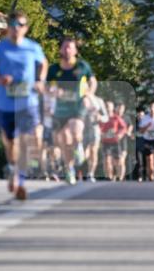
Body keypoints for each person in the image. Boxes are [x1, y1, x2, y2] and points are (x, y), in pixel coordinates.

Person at [0, 12, 47, 200]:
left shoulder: (33, 48)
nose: (16, 28)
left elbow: (43, 63)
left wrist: (40, 80)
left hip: (28, 102)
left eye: (20, 24)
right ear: (8, 27)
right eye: (13, 24)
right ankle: (13, 169)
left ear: (26, 28)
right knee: (11, 143)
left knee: (26, 140)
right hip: (5, 103)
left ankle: (20, 180)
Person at [47, 37, 96, 185]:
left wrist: (88, 95)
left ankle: (79, 147)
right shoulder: (54, 69)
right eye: (65, 47)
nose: (67, 50)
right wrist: (53, 92)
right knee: (65, 139)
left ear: (75, 50)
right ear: (60, 50)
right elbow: (47, 87)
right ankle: (69, 169)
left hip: (78, 105)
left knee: (75, 130)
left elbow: (93, 82)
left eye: (70, 47)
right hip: (60, 108)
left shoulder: (82, 66)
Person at [82, 89, 109, 182]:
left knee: (93, 151)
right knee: (84, 153)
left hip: (94, 128)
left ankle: (91, 173)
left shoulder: (99, 100)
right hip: (83, 128)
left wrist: (100, 117)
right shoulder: (81, 99)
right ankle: (83, 170)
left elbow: (106, 117)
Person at [99, 100, 128, 181]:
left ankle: (120, 177)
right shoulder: (102, 118)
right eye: (106, 106)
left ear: (112, 108)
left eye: (109, 106)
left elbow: (124, 127)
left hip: (115, 142)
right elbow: (98, 128)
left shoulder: (116, 118)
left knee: (118, 161)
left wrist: (120, 134)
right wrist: (101, 134)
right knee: (107, 160)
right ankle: (109, 177)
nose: (107, 108)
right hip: (105, 142)